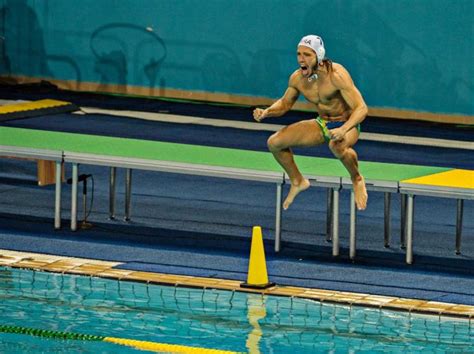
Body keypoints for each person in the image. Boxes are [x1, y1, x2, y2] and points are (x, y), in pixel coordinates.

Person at [253, 34, 368, 211]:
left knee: (336, 145)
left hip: (347, 123)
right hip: (321, 123)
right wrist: (267, 111)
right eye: (299, 54)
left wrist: (344, 129)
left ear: (319, 55)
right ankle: (297, 181)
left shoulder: (337, 75)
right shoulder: (298, 78)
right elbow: (285, 104)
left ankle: (357, 178)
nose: (301, 59)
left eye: (307, 55)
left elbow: (361, 108)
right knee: (274, 142)